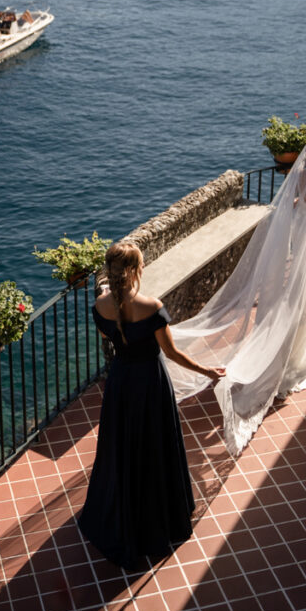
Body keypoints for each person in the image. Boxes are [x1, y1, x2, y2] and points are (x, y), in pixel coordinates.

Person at [166, 135, 306, 457]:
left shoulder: (302, 177)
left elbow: (290, 209)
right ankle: (297, 362)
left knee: (295, 304)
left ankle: (282, 357)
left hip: (302, 249)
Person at [77, 242, 225, 569]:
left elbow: (108, 337)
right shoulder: (153, 307)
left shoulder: (100, 307)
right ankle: (159, 514)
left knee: (123, 446)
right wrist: (206, 371)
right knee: (155, 445)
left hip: (121, 383)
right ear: (133, 271)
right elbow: (171, 353)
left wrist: (106, 292)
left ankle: (122, 510)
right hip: (150, 383)